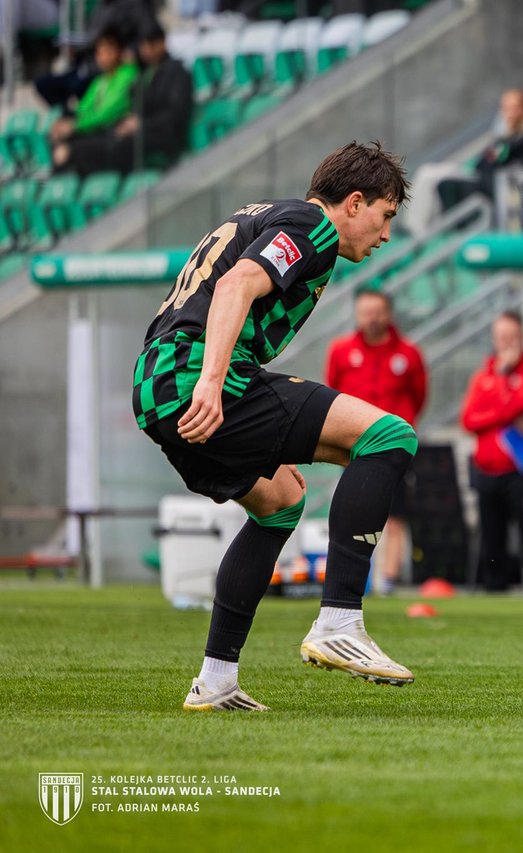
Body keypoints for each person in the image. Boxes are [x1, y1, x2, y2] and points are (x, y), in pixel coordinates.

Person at [132, 142, 414, 711]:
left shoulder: (269, 214)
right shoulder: (314, 225)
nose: (385, 235)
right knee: (389, 436)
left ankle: (216, 680)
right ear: (354, 203)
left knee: (281, 501)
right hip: (194, 375)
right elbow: (236, 285)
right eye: (385, 216)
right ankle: (339, 619)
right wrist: (211, 382)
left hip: (154, 384)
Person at [325, 289, 428, 596]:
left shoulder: (408, 354)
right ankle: (354, 578)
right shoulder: (341, 351)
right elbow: (333, 392)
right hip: (355, 447)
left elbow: (419, 396)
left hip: (395, 450)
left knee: (395, 515)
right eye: (365, 312)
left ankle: (389, 580)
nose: (371, 318)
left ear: (388, 314)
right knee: (353, 513)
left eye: (377, 312)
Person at [460, 311, 523, 592]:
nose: (506, 342)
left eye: (512, 336)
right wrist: (503, 413)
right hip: (487, 472)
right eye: (501, 336)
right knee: (492, 546)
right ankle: (494, 596)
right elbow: (469, 420)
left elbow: (519, 406)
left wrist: (501, 384)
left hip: (521, 472)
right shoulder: (483, 375)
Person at [63, 22, 193, 175]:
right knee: (92, 143)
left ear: (162, 43)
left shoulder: (176, 72)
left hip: (164, 134)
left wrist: (141, 124)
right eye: (143, 45)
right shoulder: (146, 74)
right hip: (144, 131)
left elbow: (175, 114)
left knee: (117, 146)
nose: (147, 49)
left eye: (151, 44)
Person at [50, 28, 139, 172]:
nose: (102, 57)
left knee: (66, 151)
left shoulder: (127, 75)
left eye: (107, 51)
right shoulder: (100, 80)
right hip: (96, 131)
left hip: (114, 134)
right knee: (56, 139)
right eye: (99, 52)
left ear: (120, 51)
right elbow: (83, 108)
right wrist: (65, 124)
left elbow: (108, 114)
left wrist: (75, 126)